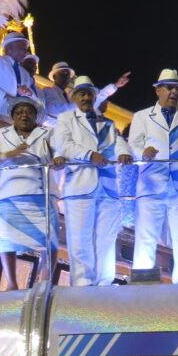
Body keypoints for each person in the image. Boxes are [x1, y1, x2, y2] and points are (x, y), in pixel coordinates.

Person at [128, 69, 178, 284]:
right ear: (158, 90)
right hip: (151, 183)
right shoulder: (142, 116)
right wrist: (143, 152)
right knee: (146, 236)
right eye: (169, 88)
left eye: (177, 88)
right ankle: (142, 281)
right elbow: (133, 143)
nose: (174, 92)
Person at [53, 76, 133, 286]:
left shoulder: (108, 123)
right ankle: (82, 285)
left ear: (95, 97)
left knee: (106, 239)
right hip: (80, 186)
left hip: (107, 187)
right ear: (74, 97)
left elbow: (118, 143)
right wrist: (90, 155)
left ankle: (104, 285)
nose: (86, 97)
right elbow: (64, 145)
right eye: (82, 93)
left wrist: (124, 153)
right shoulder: (65, 119)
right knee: (80, 238)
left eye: (89, 93)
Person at [0, 96, 63, 289]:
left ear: (36, 116)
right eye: (19, 112)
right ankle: (11, 282)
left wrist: (59, 159)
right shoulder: (3, 133)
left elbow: (60, 153)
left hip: (41, 192)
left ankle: (44, 280)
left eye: (28, 112)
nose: (24, 115)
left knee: (50, 238)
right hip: (11, 193)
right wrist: (8, 155)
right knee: (7, 240)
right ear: (12, 117)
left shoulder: (47, 133)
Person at [0, 32, 36, 115]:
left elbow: (34, 98)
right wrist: (7, 97)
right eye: (23, 47)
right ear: (9, 49)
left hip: (16, 120)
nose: (26, 51)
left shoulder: (24, 72)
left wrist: (29, 93)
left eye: (26, 48)